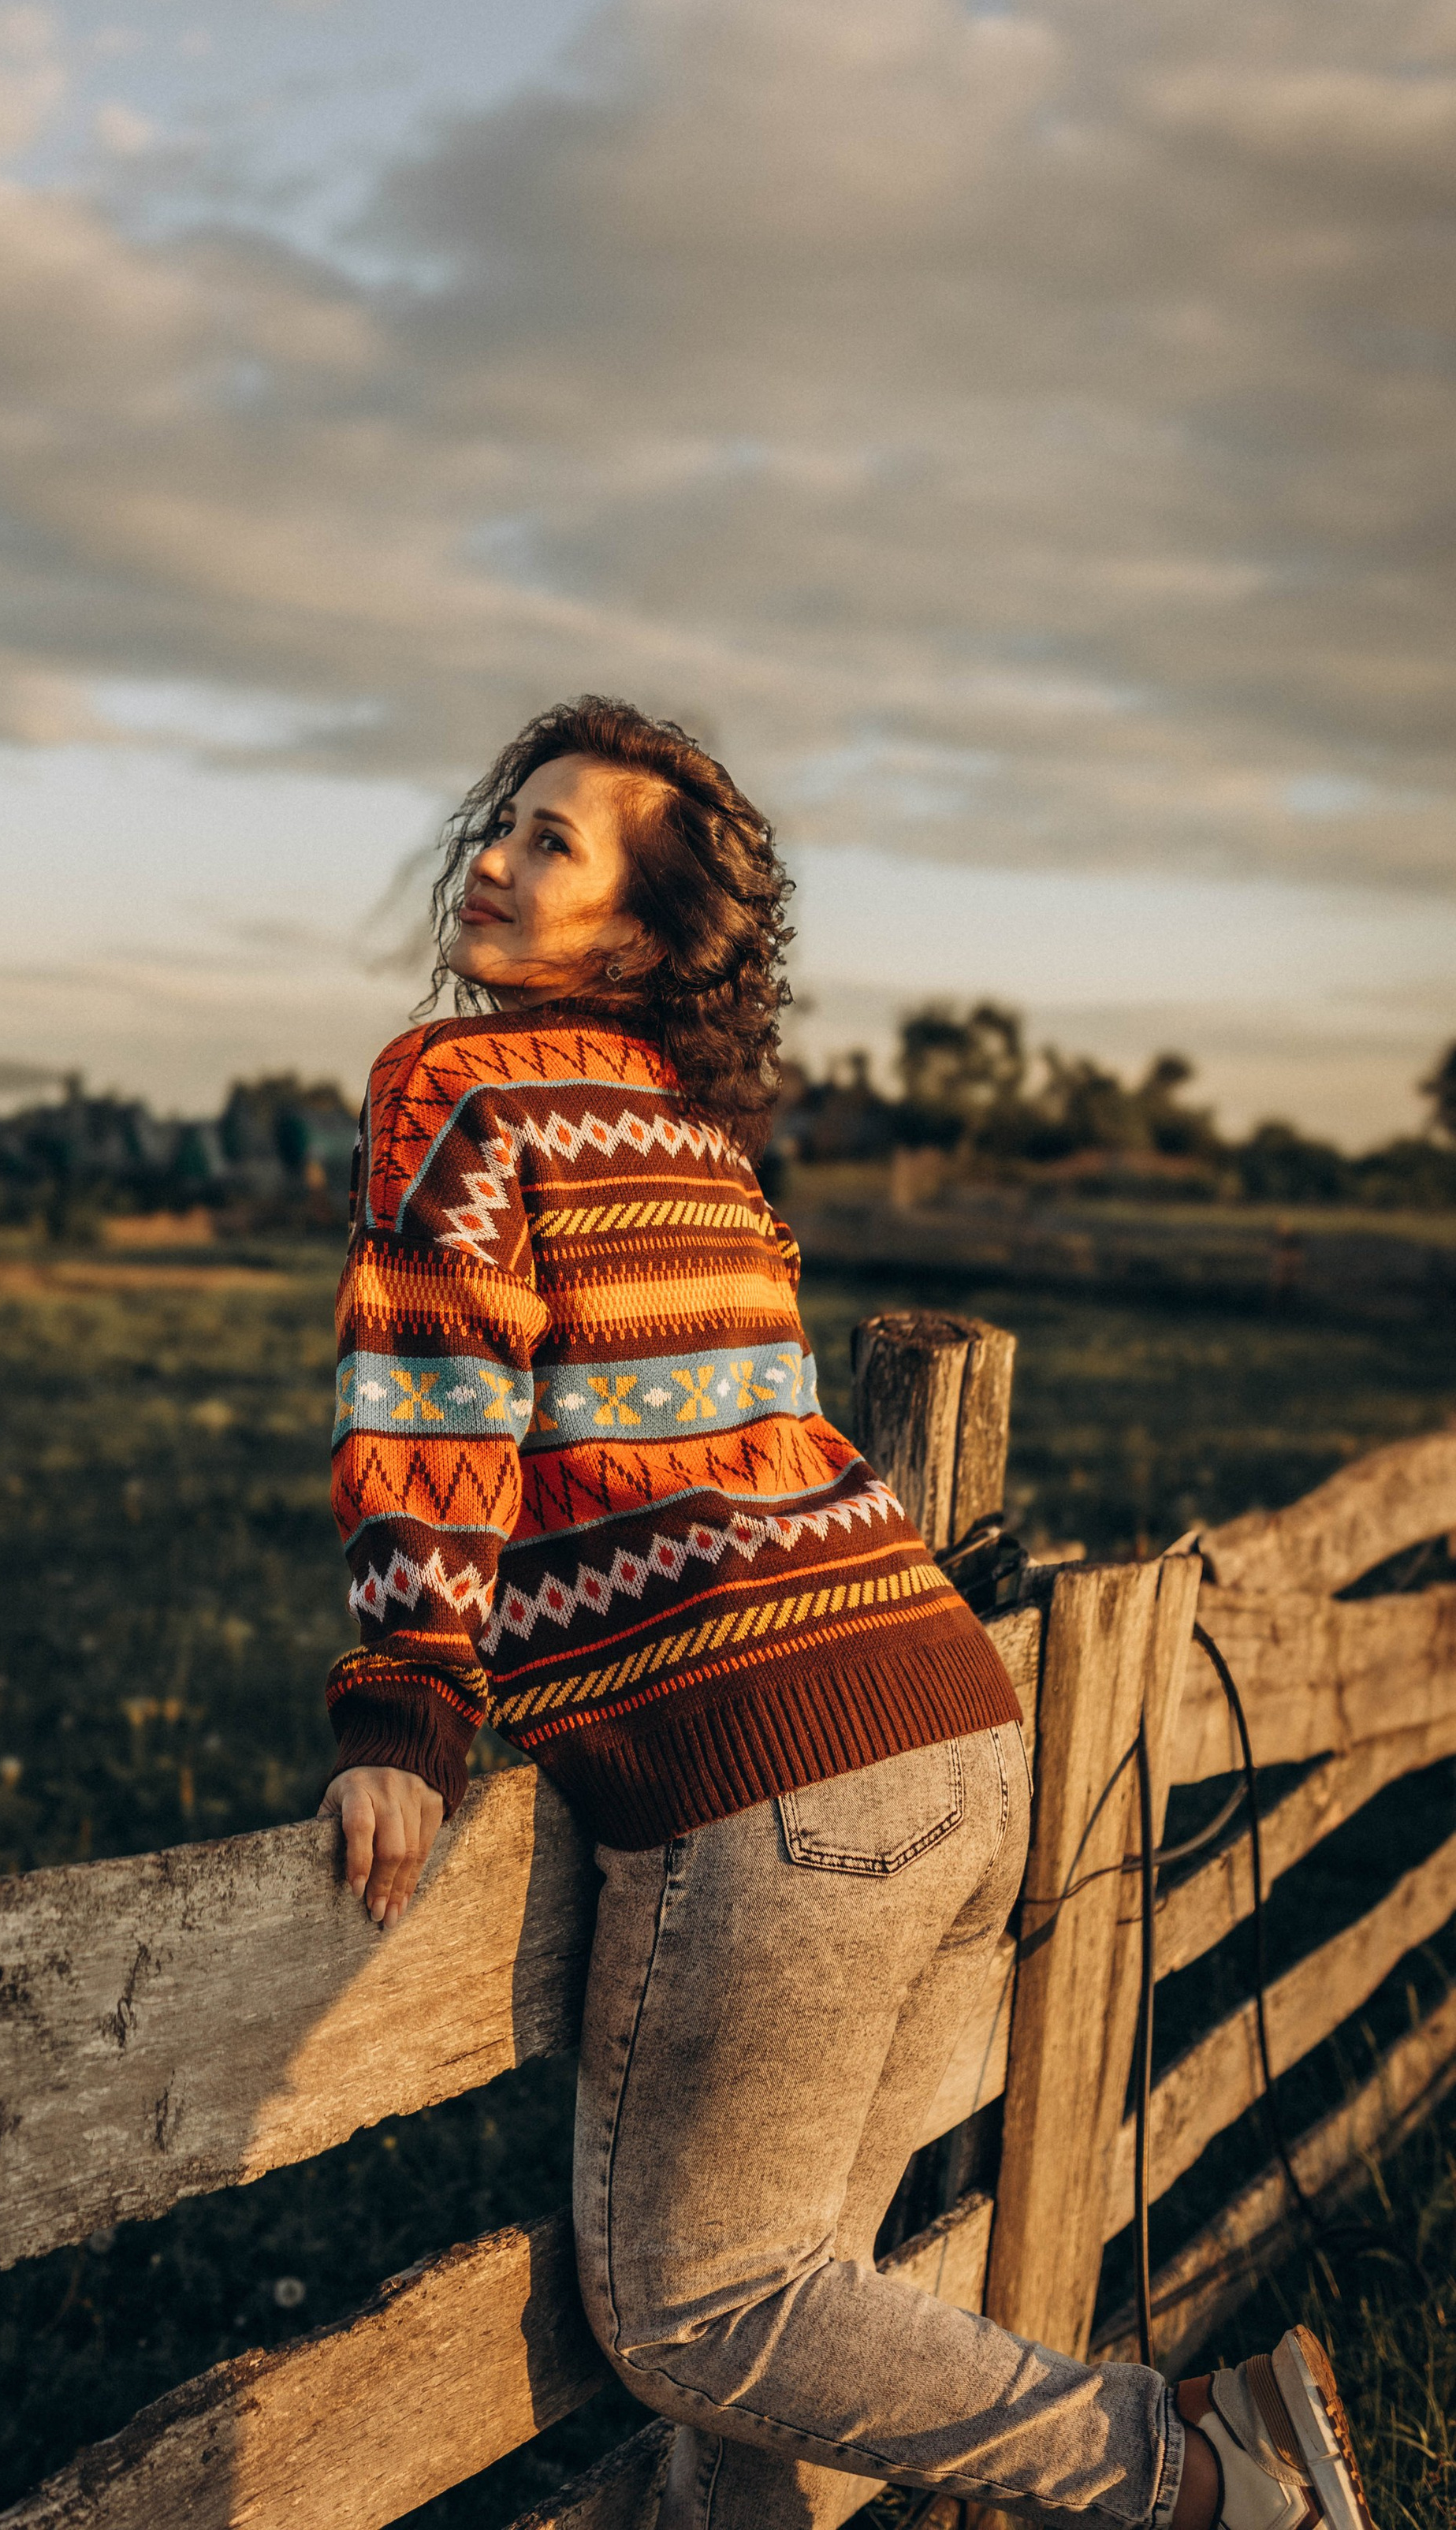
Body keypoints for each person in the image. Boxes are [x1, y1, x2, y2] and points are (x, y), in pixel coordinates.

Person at [318, 696, 1373, 2530]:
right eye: (502, 819)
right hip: (951, 1736)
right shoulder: (692, 1136)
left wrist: (406, 1703)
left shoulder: (450, 1083)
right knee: (803, 2312)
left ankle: (1204, 2470)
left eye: (550, 841)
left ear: (635, 941)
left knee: (699, 2310)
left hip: (777, 1780)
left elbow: (436, 1388)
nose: (489, 854)